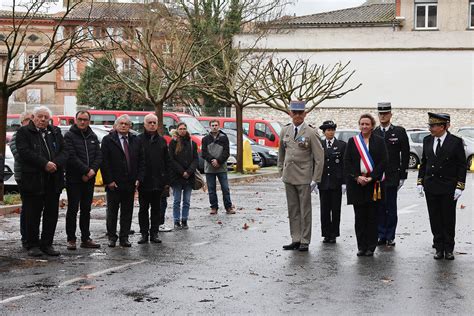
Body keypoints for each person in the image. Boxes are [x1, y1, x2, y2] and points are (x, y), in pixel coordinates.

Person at [16, 106, 68, 257]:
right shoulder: (24, 132)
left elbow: (65, 151)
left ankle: (47, 244)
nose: (43, 119)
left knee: (51, 214)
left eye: (46, 117)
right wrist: (44, 164)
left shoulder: (55, 132)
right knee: (32, 214)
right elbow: (24, 152)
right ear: (33, 117)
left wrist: (55, 164)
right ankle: (32, 244)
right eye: (40, 116)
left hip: (53, 179)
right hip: (33, 180)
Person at [417, 113, 466, 260]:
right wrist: (420, 181)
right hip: (431, 185)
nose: (430, 128)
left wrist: (460, 186)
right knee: (435, 218)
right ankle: (438, 247)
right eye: (430, 125)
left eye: (433, 126)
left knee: (448, 218)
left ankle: (449, 248)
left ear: (443, 126)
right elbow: (424, 163)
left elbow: (462, 165)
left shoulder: (455, 142)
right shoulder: (427, 140)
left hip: (448, 186)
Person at [278, 101, 324, 252]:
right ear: (290, 113)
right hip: (288, 175)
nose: (297, 115)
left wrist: (315, 179)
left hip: (304, 177)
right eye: (294, 113)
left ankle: (305, 240)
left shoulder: (310, 132)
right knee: (293, 209)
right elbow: (281, 153)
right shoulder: (285, 130)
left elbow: (319, 157)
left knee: (305, 210)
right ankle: (295, 238)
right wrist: (280, 170)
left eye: (300, 113)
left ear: (305, 114)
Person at [344, 114, 388, 257]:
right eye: (362, 124)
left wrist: (372, 177)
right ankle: (361, 246)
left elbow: (383, 161)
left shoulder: (379, 141)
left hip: (372, 184)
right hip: (357, 184)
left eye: (367, 124)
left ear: (372, 126)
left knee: (372, 216)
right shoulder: (353, 141)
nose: (364, 126)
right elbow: (347, 161)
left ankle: (371, 246)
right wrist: (357, 177)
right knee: (360, 217)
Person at [101, 114, 144, 247]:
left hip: (130, 182)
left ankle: (124, 237)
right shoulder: (108, 140)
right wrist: (109, 181)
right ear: (116, 125)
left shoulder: (135, 140)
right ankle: (112, 237)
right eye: (121, 123)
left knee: (127, 212)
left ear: (130, 126)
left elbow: (141, 161)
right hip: (114, 183)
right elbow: (104, 162)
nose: (124, 126)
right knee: (112, 212)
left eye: (126, 124)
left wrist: (139, 178)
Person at [64, 110, 102, 250]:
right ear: (75, 119)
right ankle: (71, 239)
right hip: (74, 179)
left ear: (89, 121)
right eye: (80, 119)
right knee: (73, 209)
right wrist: (86, 171)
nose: (82, 122)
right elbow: (71, 156)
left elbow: (99, 155)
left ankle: (85, 238)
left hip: (89, 179)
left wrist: (92, 171)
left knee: (86, 209)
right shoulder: (69, 136)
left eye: (85, 119)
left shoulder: (93, 136)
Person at [373, 102, 409, 247]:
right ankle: (381, 234)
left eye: (385, 114)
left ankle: (390, 235)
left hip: (392, 176)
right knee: (379, 206)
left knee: (391, 207)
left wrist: (403, 175)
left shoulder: (399, 132)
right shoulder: (374, 132)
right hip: (377, 176)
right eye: (380, 114)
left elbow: (405, 154)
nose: (383, 116)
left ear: (390, 115)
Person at [137, 114, 170, 244]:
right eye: (149, 122)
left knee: (156, 209)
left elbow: (167, 161)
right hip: (144, 181)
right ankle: (144, 234)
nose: (152, 125)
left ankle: (154, 233)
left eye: (154, 123)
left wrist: (167, 181)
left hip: (158, 182)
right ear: (144, 124)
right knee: (143, 209)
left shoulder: (162, 141)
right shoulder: (138, 140)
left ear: (157, 124)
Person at [318, 120, 346, 244]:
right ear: (324, 132)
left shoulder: (341, 145)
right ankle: (326, 234)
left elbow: (345, 165)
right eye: (328, 130)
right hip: (323, 182)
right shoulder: (319, 145)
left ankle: (334, 234)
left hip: (336, 182)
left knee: (335, 210)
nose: (330, 132)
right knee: (324, 210)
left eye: (332, 130)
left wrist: (344, 182)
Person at [9, 111, 33, 249]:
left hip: (34, 175)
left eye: (32, 119)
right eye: (27, 119)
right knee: (27, 207)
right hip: (23, 176)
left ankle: (31, 236)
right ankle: (25, 237)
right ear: (22, 121)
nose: (30, 122)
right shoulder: (17, 136)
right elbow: (19, 155)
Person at [168, 122, 199, 229]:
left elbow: (196, 159)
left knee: (186, 201)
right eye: (180, 128)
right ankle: (176, 221)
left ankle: (184, 220)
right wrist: (182, 172)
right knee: (176, 200)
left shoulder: (192, 143)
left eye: (184, 128)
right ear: (177, 130)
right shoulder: (173, 143)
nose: (182, 130)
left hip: (189, 177)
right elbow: (171, 160)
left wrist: (189, 171)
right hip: (177, 176)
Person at [201, 119, 234, 215]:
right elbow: (204, 153)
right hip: (209, 168)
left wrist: (219, 161)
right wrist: (212, 160)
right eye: (212, 125)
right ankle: (214, 207)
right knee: (211, 189)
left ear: (219, 126)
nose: (214, 127)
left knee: (225, 188)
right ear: (209, 126)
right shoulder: (205, 139)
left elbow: (226, 152)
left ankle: (228, 207)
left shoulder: (224, 138)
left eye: (216, 125)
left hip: (221, 167)